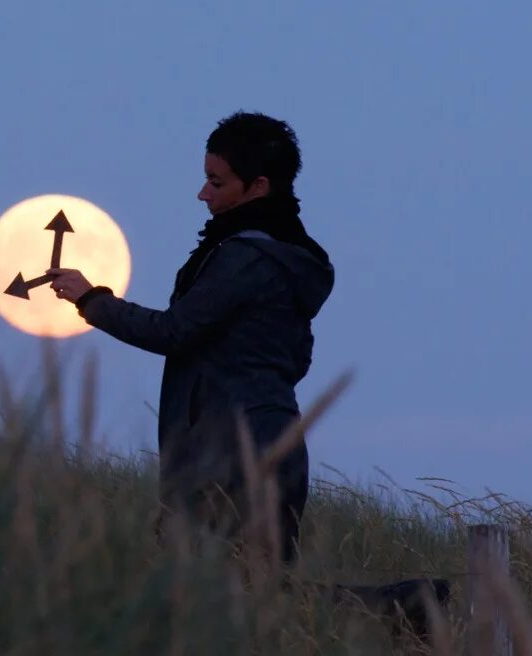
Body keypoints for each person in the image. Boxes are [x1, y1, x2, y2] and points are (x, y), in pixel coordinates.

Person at [47, 111, 334, 564]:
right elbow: (297, 357)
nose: (202, 194)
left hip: (229, 454)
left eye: (216, 183)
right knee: (261, 601)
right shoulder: (286, 261)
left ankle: (409, 609)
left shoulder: (246, 258)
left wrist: (92, 300)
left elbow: (174, 331)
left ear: (258, 187)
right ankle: (412, 613)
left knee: (210, 596)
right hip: (269, 444)